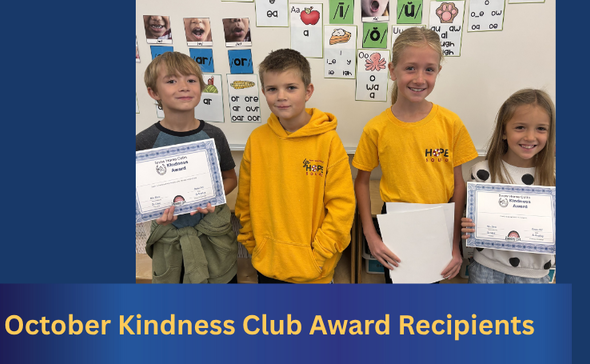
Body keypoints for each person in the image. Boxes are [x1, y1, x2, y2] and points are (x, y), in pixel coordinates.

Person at [353, 28, 478, 283]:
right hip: (396, 225)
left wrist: (455, 246)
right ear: (392, 70)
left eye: (429, 69)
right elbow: (361, 181)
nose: (420, 78)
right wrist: (371, 235)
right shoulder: (377, 128)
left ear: (438, 72)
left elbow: (458, 184)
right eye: (410, 68)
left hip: (439, 224)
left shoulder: (450, 124)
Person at [235, 48, 355, 284]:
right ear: (264, 92)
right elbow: (245, 201)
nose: (281, 96)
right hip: (267, 265)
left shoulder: (329, 142)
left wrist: (318, 255)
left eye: (291, 87)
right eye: (272, 89)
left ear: (308, 91)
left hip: (314, 271)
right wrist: (254, 246)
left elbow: (342, 207)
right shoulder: (257, 140)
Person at [136, 52, 239, 283]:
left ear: (201, 88)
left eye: (191, 80)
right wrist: (154, 213)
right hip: (170, 242)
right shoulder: (143, 142)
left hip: (213, 237)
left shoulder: (213, 135)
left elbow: (231, 179)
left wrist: (212, 197)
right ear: (154, 93)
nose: (184, 86)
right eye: (172, 81)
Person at [461, 89, 556, 284]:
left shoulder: (553, 179)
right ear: (504, 131)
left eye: (541, 129)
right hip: (486, 269)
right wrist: (467, 225)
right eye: (520, 127)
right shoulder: (481, 172)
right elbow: (471, 222)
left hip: (534, 275)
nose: (530, 137)